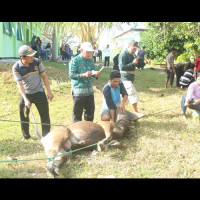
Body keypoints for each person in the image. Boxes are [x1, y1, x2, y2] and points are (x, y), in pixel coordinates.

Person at [12, 45, 54, 141]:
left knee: (45, 115)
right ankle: (26, 135)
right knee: (24, 115)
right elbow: (20, 85)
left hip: (39, 92)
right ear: (22, 57)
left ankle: (46, 135)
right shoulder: (16, 67)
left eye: (32, 55)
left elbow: (44, 76)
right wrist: (26, 100)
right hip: (25, 93)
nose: (32, 57)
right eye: (29, 56)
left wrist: (49, 91)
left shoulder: (37, 62)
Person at [69, 42, 101, 123]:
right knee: (77, 114)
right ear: (81, 50)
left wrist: (96, 75)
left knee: (90, 112)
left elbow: (92, 72)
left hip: (89, 91)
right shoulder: (75, 61)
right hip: (78, 91)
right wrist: (83, 75)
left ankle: (88, 130)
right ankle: (77, 131)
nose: (89, 54)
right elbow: (72, 75)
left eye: (90, 52)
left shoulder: (90, 61)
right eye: (87, 52)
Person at [118, 40, 144, 118]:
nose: (134, 50)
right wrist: (133, 63)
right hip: (124, 77)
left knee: (125, 96)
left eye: (136, 49)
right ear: (129, 46)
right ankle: (136, 112)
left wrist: (144, 62)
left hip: (130, 78)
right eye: (133, 48)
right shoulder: (123, 54)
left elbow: (137, 65)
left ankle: (120, 110)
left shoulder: (132, 55)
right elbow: (121, 67)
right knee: (133, 93)